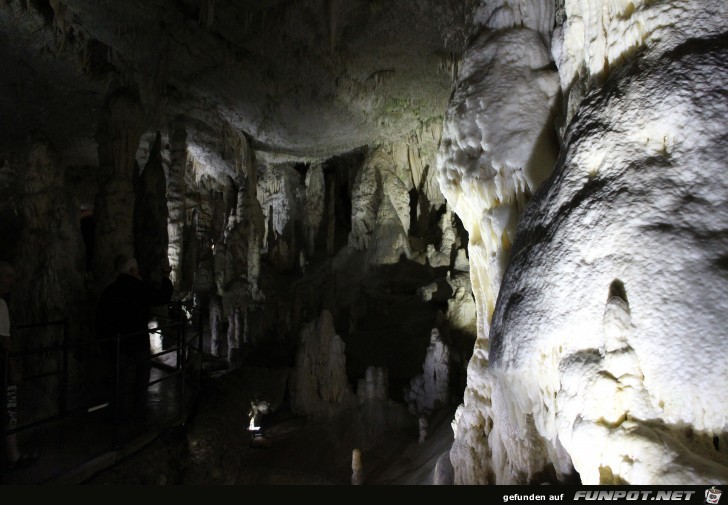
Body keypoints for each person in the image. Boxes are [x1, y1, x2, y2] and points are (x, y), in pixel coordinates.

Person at [95, 255, 173, 424]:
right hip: (138, 343)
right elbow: (162, 298)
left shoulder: (110, 290)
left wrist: (104, 343)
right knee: (141, 378)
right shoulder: (139, 288)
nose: (139, 272)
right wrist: (166, 277)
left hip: (118, 344)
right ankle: (138, 413)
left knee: (120, 380)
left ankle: (119, 415)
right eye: (137, 269)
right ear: (132, 271)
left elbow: (101, 318)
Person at [0, 260, 38, 473]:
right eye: (8, 276)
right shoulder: (1, 305)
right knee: (9, 409)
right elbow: (5, 341)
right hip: (2, 366)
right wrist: (13, 368)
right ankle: (13, 456)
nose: (12, 281)